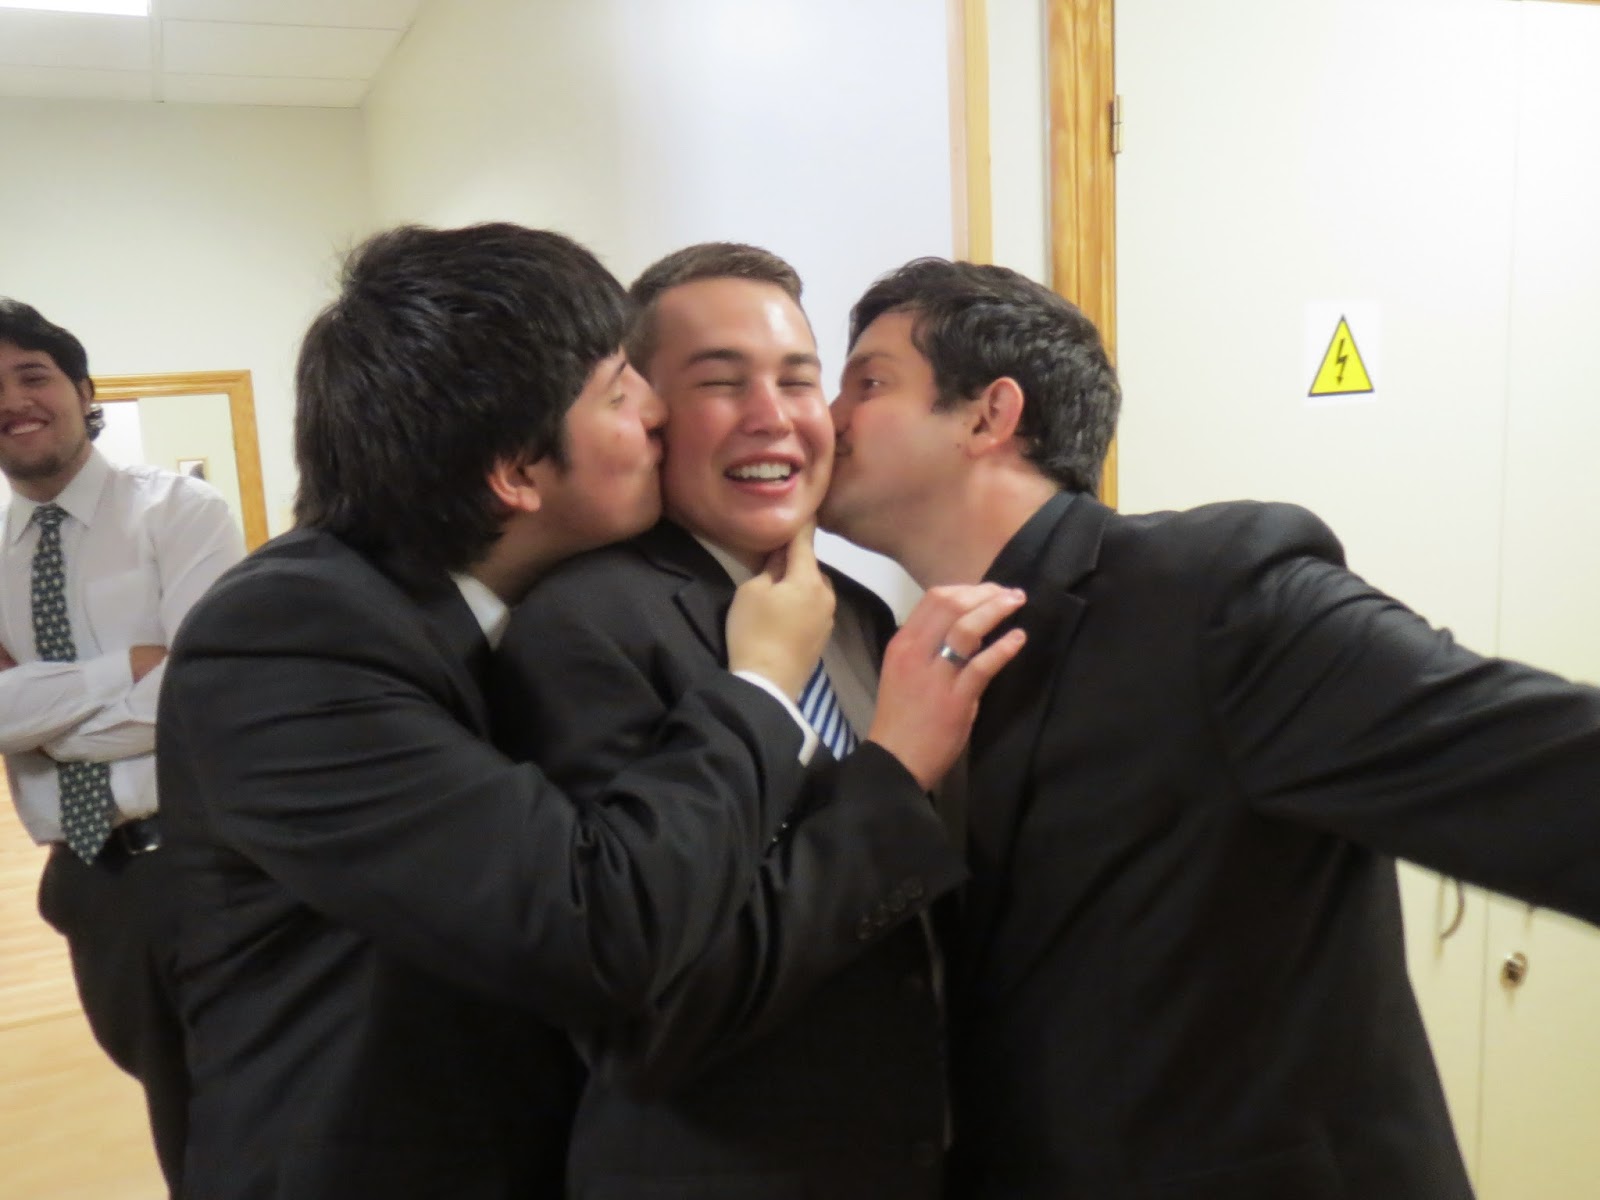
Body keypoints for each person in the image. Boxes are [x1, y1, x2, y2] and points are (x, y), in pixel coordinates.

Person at [818, 257, 1600, 1200]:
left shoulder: (1215, 597)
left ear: (990, 415)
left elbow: (1548, 769)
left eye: (868, 383)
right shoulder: (908, 660)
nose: (826, 417)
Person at [156, 223, 860, 1199]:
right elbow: (592, 927)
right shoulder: (285, 639)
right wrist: (763, 688)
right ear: (517, 473)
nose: (659, 411)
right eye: (620, 391)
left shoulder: (558, 598)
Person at [493, 243, 1024, 1198]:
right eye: (720, 382)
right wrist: (894, 770)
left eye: (798, 379)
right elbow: (652, 1020)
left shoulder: (862, 614)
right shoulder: (584, 627)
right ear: (648, 415)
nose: (773, 415)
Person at [0, 298, 244, 1192]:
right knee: (172, 1109)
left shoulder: (179, 513)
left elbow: (197, 697)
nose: (13, 401)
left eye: (32, 374)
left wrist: (42, 714)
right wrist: (126, 670)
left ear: (81, 389)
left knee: (255, 1101)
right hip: (89, 879)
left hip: (209, 863)